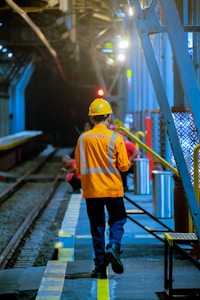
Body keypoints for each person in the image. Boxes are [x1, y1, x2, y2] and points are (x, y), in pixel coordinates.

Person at [75, 98, 131, 279]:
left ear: (91, 119)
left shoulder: (82, 139)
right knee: (118, 220)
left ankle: (100, 267)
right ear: (108, 118)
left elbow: (78, 167)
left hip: (92, 190)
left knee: (97, 227)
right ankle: (113, 246)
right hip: (113, 189)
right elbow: (124, 166)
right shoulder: (116, 138)